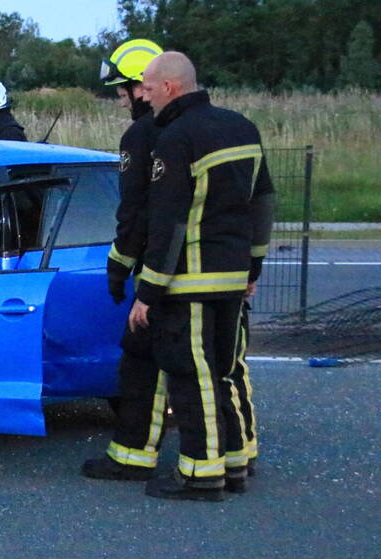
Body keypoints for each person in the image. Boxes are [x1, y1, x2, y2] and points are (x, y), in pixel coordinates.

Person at [129, 52, 274, 501]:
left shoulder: (175, 137)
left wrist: (147, 292)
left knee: (191, 378)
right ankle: (233, 464)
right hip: (232, 277)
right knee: (224, 371)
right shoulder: (241, 127)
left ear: (171, 87)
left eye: (148, 88)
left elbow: (167, 222)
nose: (143, 96)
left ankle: (199, 475)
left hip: (188, 281)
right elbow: (262, 202)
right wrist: (254, 266)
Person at [81, 39, 169, 483]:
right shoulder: (201, 129)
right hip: (210, 272)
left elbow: (134, 214)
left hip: (160, 272)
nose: (123, 101)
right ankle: (231, 457)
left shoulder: (143, 135)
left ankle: (132, 455)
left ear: (142, 86)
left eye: (122, 91)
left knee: (140, 362)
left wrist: (119, 267)